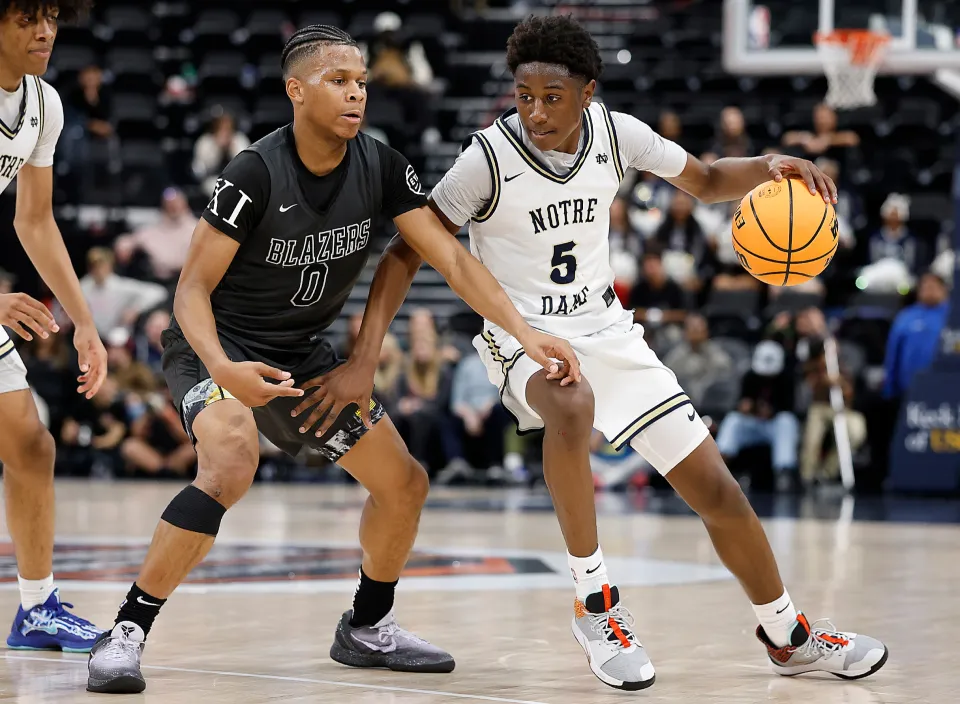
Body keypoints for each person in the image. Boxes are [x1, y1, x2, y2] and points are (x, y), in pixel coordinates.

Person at [85, 25, 580, 694]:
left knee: (404, 485)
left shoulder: (378, 164)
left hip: (305, 355)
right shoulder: (255, 172)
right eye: (338, 81)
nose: (356, 94)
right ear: (296, 90)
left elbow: (452, 259)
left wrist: (523, 332)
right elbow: (190, 292)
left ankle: (367, 627)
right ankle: (126, 632)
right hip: (220, 347)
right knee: (230, 461)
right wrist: (223, 370)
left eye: (362, 83)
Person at [423, 14, 887, 691]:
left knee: (717, 490)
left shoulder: (617, 132)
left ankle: (790, 636)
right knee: (571, 402)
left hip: (608, 331)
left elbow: (703, 179)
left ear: (587, 92)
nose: (536, 111)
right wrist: (366, 349)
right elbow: (417, 243)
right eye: (524, 96)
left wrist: (766, 168)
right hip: (521, 335)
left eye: (553, 96)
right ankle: (595, 603)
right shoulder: (486, 158)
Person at [0, 0, 107, 653]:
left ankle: (37, 608)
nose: (44, 32)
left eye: (50, 17)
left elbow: (33, 222)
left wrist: (85, 324)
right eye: (24, 18)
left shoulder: (43, 104)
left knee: (32, 447)